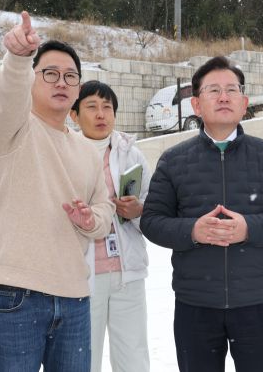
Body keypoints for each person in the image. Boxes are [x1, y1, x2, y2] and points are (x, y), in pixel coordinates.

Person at [140, 56, 263, 372]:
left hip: (256, 301)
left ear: (244, 103)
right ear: (196, 104)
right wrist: (193, 231)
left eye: (232, 90)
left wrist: (249, 228)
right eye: (213, 90)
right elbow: (152, 221)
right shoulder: (173, 160)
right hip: (195, 304)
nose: (223, 97)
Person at [0, 12, 114, 372]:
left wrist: (90, 219)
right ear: (33, 79)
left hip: (74, 296)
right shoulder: (13, 128)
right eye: (50, 73)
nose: (61, 82)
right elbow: (9, 94)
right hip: (14, 293)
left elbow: (105, 210)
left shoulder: (86, 149)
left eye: (70, 76)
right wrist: (19, 57)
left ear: (78, 88)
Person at [69, 80, 151, 372]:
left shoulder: (131, 153)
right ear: (74, 115)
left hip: (127, 273)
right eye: (91, 106)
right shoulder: (64, 154)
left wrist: (138, 211)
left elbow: (151, 207)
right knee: (83, 358)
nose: (101, 114)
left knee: (133, 357)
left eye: (107, 107)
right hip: (81, 275)